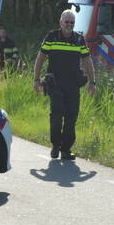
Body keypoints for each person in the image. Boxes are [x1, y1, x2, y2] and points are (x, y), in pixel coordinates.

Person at [33, 9, 96, 161]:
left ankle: (66, 149)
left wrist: (92, 82)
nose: (69, 24)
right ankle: (55, 145)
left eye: (72, 22)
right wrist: (36, 80)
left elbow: (87, 61)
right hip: (55, 84)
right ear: (60, 22)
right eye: (66, 22)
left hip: (73, 85)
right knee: (56, 116)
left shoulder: (79, 39)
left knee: (71, 117)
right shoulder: (52, 37)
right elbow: (40, 58)